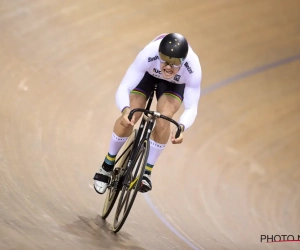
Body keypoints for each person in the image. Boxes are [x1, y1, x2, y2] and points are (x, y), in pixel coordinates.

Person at [93, 32, 202, 194]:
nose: (168, 66)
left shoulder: (193, 68)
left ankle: (146, 172)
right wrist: (125, 110)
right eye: (164, 58)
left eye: (174, 62)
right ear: (159, 54)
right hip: (148, 76)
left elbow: (192, 107)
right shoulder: (148, 54)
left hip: (173, 86)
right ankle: (107, 165)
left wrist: (182, 127)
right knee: (132, 115)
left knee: (164, 119)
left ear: (184, 60)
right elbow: (124, 87)